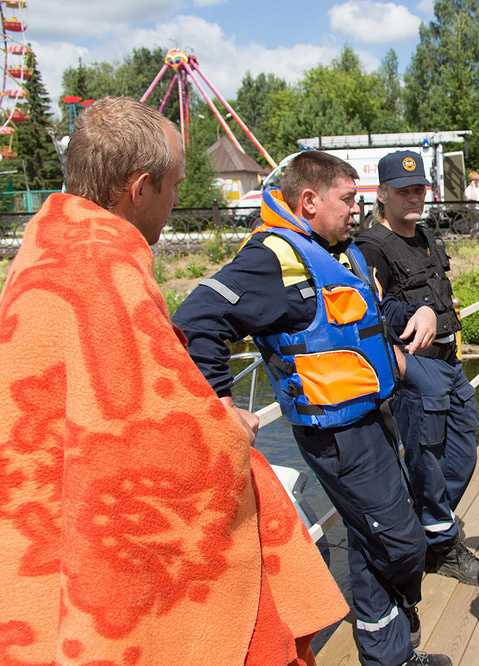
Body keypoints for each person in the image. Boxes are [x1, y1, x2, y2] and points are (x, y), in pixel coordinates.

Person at [0, 96, 347, 665]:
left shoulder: (47, 248)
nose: (179, 198)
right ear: (138, 189)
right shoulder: (106, 273)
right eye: (176, 185)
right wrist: (228, 425)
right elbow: (158, 442)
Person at [172, 151, 450, 666]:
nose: (356, 210)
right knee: (402, 542)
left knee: (374, 536)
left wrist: (420, 312)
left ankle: (389, 655)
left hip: (372, 415)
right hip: (336, 434)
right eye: (347, 200)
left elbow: (370, 312)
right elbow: (195, 321)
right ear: (308, 201)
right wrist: (222, 403)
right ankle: (400, 618)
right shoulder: (273, 260)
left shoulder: (339, 250)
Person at [355, 151, 479, 588]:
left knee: (461, 453)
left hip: (449, 362)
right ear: (382, 194)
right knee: (428, 463)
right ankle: (442, 545)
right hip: (417, 369)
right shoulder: (371, 248)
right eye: (404, 190)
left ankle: (427, 532)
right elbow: (368, 313)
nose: (415, 197)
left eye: (420, 189)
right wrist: (401, 363)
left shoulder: (426, 238)